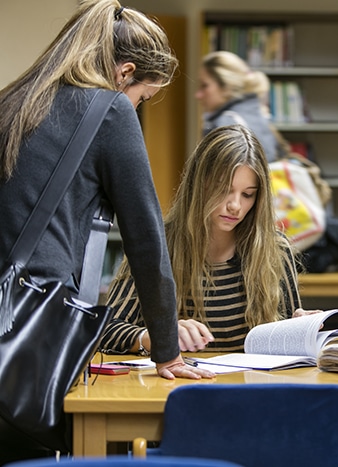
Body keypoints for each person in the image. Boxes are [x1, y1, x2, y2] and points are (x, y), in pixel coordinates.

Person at [0, 1, 213, 462]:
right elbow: (146, 237)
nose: (139, 108)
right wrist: (166, 349)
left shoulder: (13, 99)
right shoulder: (111, 109)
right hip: (34, 324)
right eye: (144, 97)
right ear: (125, 73)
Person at [99, 125, 319, 354]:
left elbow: (289, 351)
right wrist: (156, 335)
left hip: (251, 386)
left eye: (247, 194)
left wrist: (299, 327)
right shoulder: (157, 245)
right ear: (199, 184)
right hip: (177, 386)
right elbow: (106, 331)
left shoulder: (275, 250)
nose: (235, 206)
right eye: (223, 189)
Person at [196, 50, 280, 161]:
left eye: (204, 85)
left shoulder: (226, 126)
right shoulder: (257, 115)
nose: (198, 95)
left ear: (226, 87)